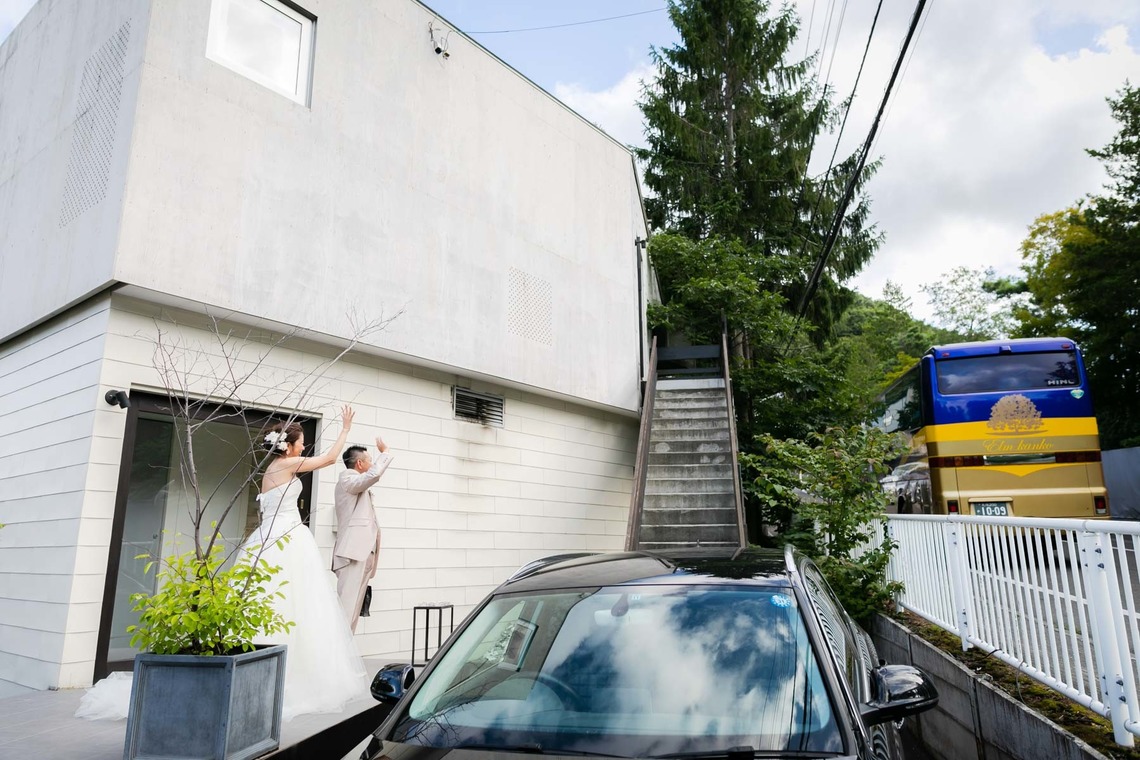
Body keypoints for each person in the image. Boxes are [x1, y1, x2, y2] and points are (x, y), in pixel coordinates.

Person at [243, 405, 369, 719]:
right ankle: (298, 676)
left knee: (271, 598)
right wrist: (344, 430)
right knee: (299, 599)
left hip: (264, 539)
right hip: (288, 537)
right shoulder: (288, 463)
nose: (303, 446)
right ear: (289, 444)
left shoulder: (269, 470)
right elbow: (327, 460)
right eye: (300, 441)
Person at [333, 438, 394, 631]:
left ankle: (343, 654)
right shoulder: (347, 478)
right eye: (369, 460)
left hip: (361, 553)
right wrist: (385, 453)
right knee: (346, 609)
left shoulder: (354, 481)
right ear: (359, 464)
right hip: (353, 554)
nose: (371, 464)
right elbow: (373, 476)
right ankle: (335, 653)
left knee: (353, 612)